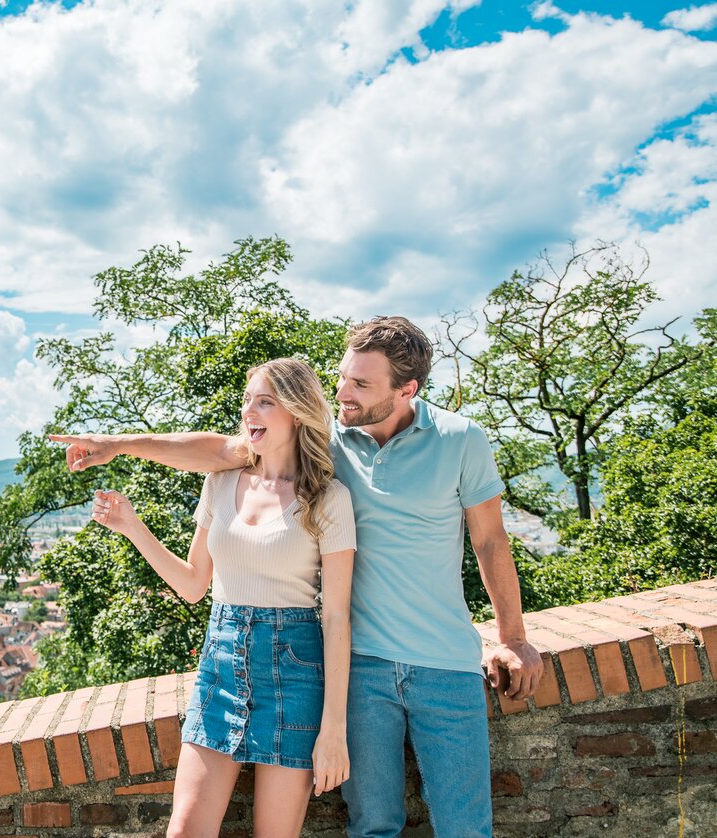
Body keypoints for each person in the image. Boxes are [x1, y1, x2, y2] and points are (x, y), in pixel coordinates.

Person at [52, 317, 543, 838]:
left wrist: (512, 637)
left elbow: (490, 540)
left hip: (437, 660)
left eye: (361, 384)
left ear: (407, 389)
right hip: (357, 667)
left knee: (467, 829)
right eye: (343, 377)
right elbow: (217, 452)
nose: (344, 393)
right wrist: (116, 444)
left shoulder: (453, 441)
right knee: (372, 826)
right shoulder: (325, 443)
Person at [65, 358, 355, 838]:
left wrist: (334, 731)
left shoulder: (328, 499)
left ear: (298, 413)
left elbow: (338, 617)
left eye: (265, 401)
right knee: (184, 832)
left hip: (295, 675)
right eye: (247, 401)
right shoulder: (221, 482)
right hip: (220, 662)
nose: (249, 411)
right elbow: (194, 584)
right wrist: (132, 526)